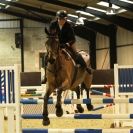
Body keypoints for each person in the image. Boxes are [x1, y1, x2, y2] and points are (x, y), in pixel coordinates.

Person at [42, 10, 92, 84]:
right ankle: (46, 76)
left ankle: (85, 67)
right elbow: (51, 35)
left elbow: (72, 38)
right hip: (56, 43)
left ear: (66, 19)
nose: (62, 21)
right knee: (47, 56)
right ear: (57, 18)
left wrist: (67, 44)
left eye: (63, 19)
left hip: (68, 42)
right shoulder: (53, 24)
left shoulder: (68, 25)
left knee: (75, 53)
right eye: (60, 19)